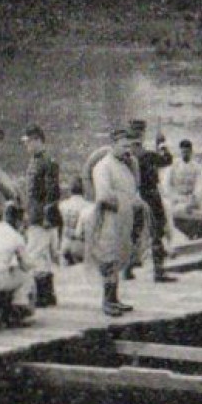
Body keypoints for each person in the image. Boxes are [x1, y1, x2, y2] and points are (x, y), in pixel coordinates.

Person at [89, 128, 140, 318]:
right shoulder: (103, 167)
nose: (128, 150)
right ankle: (107, 300)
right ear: (113, 146)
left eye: (129, 146)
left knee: (119, 256)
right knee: (108, 257)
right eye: (124, 146)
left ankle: (115, 298)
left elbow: (133, 189)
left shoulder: (125, 165)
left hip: (123, 219)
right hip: (109, 218)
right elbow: (103, 196)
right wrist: (123, 205)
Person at [18, 126, 62, 308]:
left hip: (40, 215)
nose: (26, 145)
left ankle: (43, 295)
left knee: (36, 253)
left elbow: (52, 192)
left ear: (37, 140)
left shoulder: (46, 162)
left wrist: (46, 216)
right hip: (36, 213)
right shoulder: (37, 161)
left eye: (28, 141)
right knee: (42, 255)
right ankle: (47, 295)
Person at [129, 122, 175, 283]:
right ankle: (159, 271)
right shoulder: (146, 155)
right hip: (150, 195)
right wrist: (162, 145)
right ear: (142, 135)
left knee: (134, 231)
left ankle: (127, 268)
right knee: (157, 230)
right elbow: (167, 160)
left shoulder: (126, 155)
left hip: (132, 197)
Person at [165, 140, 202, 222]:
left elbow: (199, 185)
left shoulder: (196, 167)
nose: (185, 154)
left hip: (190, 198)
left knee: (194, 208)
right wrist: (174, 197)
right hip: (176, 197)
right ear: (180, 151)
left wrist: (194, 197)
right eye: (183, 152)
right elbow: (167, 185)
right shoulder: (173, 166)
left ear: (191, 152)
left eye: (187, 152)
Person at [57, 178, 93, 267]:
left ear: (70, 191)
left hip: (65, 242)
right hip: (80, 244)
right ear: (83, 191)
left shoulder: (62, 205)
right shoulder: (89, 206)